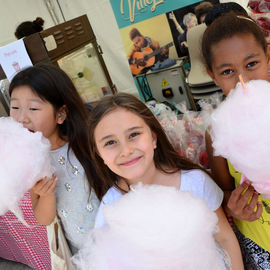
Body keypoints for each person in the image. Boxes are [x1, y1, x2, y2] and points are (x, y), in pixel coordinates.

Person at [88, 92, 244, 269]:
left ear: (153, 138)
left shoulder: (194, 183)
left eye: (133, 135)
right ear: (99, 154)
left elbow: (225, 238)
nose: (126, 150)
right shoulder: (111, 206)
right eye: (110, 143)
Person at [8, 64, 103, 256]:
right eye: (15, 107)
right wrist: (46, 195)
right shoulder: (28, 161)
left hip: (117, 237)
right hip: (82, 252)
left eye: (33, 108)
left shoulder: (89, 143)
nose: (21, 118)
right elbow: (44, 219)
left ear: (60, 114)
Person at [201, 12, 270, 269]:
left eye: (252, 64)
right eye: (228, 71)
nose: (243, 80)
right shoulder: (217, 131)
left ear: (268, 56)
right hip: (260, 244)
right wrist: (234, 208)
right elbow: (224, 191)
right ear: (213, 75)